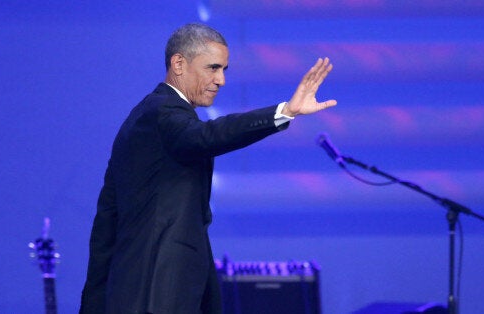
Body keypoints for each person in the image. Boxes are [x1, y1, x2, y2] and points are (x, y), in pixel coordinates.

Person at [79, 23, 336, 314]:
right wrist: (284, 111)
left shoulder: (145, 118)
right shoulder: (163, 112)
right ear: (178, 64)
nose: (221, 80)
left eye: (224, 69)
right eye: (212, 68)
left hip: (146, 287)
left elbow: (107, 220)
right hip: (156, 289)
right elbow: (207, 136)